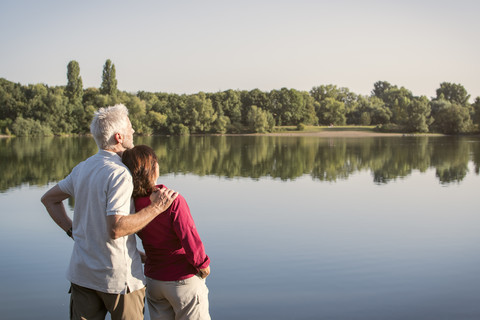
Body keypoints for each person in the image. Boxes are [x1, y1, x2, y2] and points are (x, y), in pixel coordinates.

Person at [40, 104, 178, 320]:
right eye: (130, 128)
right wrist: (157, 207)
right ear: (119, 136)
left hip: (82, 275)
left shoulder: (83, 167)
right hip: (117, 281)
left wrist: (72, 231)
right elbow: (117, 228)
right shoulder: (120, 174)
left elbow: (49, 199)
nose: (134, 132)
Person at [122, 145, 211, 320]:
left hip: (154, 281)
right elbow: (189, 236)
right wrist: (202, 264)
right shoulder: (172, 199)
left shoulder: (130, 204)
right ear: (153, 168)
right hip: (182, 280)